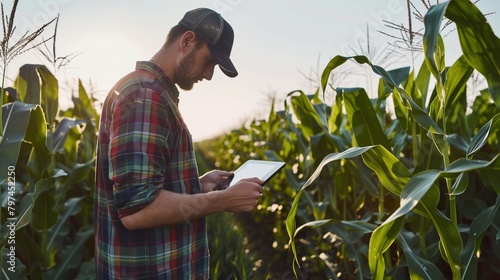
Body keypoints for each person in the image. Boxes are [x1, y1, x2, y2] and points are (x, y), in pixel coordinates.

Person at [94, 8, 263, 279]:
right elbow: (138, 210)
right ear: (186, 41)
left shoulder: (149, 92)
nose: (208, 75)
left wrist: (196, 185)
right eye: (209, 62)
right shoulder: (145, 96)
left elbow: (144, 188)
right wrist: (222, 200)